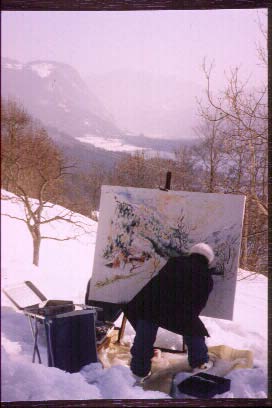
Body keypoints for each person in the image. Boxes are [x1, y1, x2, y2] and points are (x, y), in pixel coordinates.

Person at [120, 242, 215, 385]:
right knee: (194, 330)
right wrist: (188, 319)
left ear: (191, 253)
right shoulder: (206, 276)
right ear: (207, 260)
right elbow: (199, 304)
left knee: (144, 337)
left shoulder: (174, 262)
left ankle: (139, 372)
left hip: (151, 303)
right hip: (179, 310)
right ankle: (199, 364)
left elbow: (158, 283)